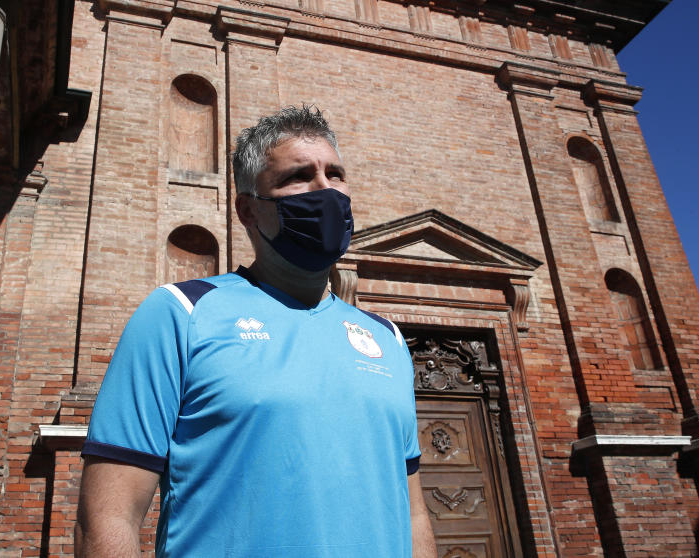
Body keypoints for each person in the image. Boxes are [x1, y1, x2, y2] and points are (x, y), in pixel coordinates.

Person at [75, 106, 437, 558]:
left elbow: (414, 513)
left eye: (335, 173)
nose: (325, 189)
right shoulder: (181, 313)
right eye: (299, 177)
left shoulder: (386, 339)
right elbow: (109, 517)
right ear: (247, 209)